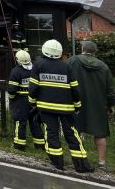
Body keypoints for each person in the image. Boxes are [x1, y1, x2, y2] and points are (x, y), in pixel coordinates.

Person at [28, 39, 94, 173]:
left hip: (46, 107)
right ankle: (81, 164)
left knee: (51, 133)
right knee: (72, 134)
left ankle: (57, 162)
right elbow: (75, 89)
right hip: (66, 108)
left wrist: (32, 102)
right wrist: (77, 106)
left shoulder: (38, 65)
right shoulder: (66, 66)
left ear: (44, 50)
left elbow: (33, 88)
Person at [68, 41, 115, 170]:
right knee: (100, 134)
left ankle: (79, 158)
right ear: (95, 52)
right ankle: (101, 162)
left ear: (82, 49)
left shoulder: (72, 61)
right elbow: (110, 89)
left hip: (76, 103)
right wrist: (111, 105)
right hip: (98, 105)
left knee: (77, 132)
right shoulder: (103, 66)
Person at [8, 50, 45, 151]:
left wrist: (12, 99)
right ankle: (40, 146)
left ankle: (19, 146)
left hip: (21, 101)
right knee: (35, 122)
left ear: (18, 60)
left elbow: (12, 90)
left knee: (20, 122)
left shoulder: (16, 71)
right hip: (34, 101)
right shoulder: (36, 69)